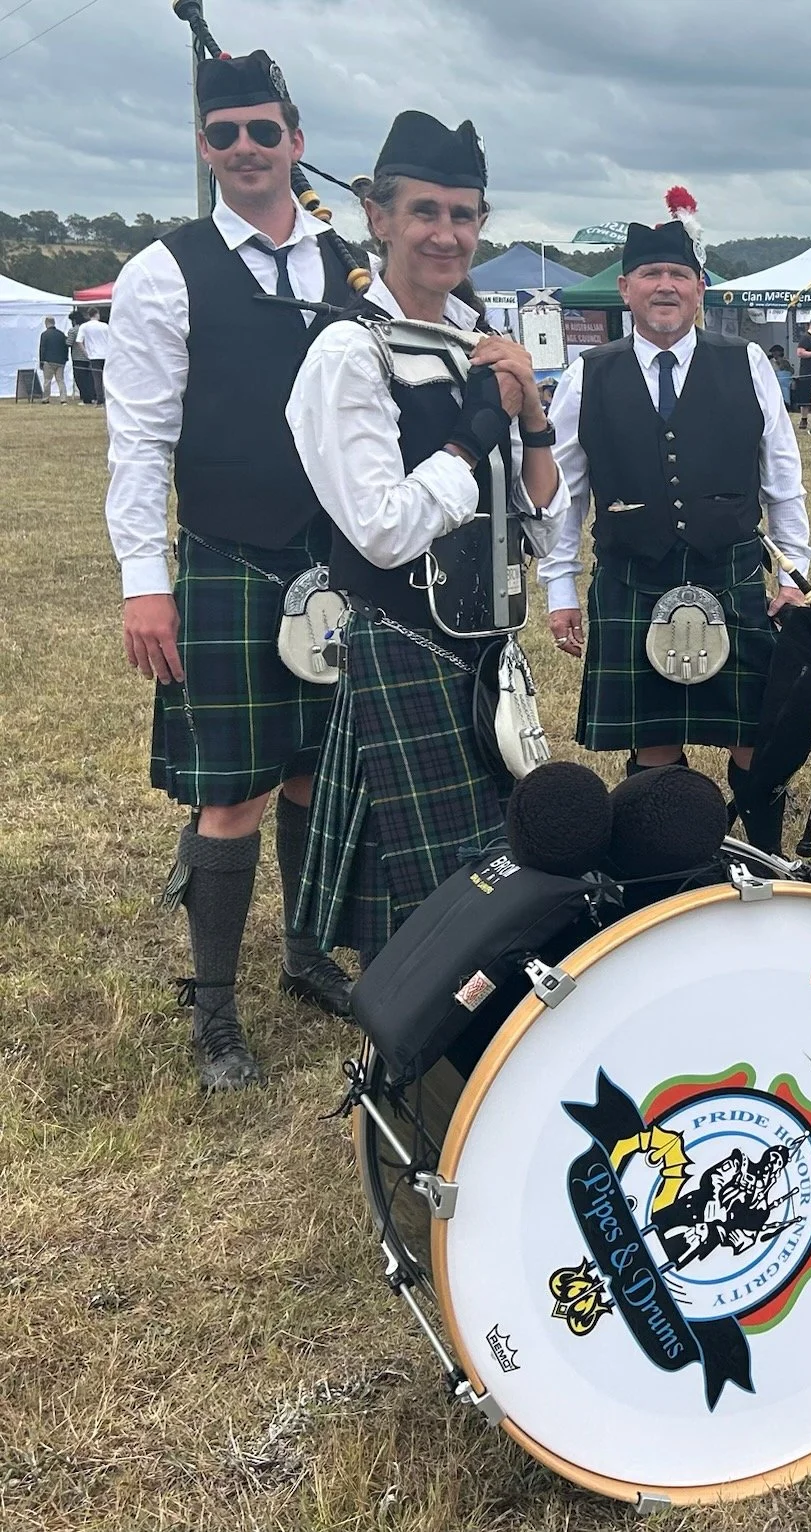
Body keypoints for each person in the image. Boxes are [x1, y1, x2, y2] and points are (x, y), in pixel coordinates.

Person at [103, 49, 357, 1092]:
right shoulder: (165, 270)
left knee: (312, 766)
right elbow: (138, 438)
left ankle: (304, 955)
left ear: (296, 138)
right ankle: (214, 1011)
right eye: (224, 135)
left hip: (336, 555)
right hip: (228, 553)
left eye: (264, 130)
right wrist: (142, 576)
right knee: (234, 791)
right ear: (205, 149)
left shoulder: (352, 263)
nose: (245, 150)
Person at [288, 111, 562, 966]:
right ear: (377, 215)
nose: (447, 234)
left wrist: (535, 419)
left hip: (486, 648)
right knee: (412, 917)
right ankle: (404, 1074)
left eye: (465, 215)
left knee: (486, 888)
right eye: (426, 212)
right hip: (404, 647)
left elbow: (538, 517)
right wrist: (478, 430)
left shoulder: (468, 344)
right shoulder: (348, 352)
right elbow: (380, 530)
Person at [540, 213, 811, 853]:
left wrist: (795, 572)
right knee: (654, 737)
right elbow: (566, 490)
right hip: (635, 573)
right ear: (626, 288)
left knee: (755, 729)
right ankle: (672, 865)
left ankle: (766, 856)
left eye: (679, 275)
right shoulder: (588, 374)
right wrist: (560, 589)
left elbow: (782, 474)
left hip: (733, 572)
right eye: (651, 274)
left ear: (700, 289)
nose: (666, 286)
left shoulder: (745, 362)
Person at [77, 309, 110, 403]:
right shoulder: (105, 326)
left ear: (89, 315)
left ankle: (100, 398)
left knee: (97, 379)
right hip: (106, 355)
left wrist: (86, 353)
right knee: (107, 378)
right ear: (97, 314)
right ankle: (108, 397)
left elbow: (79, 341)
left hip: (94, 356)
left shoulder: (84, 326)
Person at [68, 310, 97, 404]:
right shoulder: (87, 328)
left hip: (78, 358)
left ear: (74, 320)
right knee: (90, 379)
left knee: (80, 379)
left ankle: (85, 398)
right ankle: (93, 396)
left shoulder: (73, 330)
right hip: (90, 356)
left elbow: (69, 343)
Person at [37, 317, 69, 401]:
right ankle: (63, 399)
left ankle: (46, 398)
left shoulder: (44, 334)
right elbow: (65, 347)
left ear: (46, 323)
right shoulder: (61, 334)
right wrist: (65, 358)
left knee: (47, 381)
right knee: (61, 380)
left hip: (48, 361)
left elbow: (42, 348)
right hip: (60, 361)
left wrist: (41, 361)